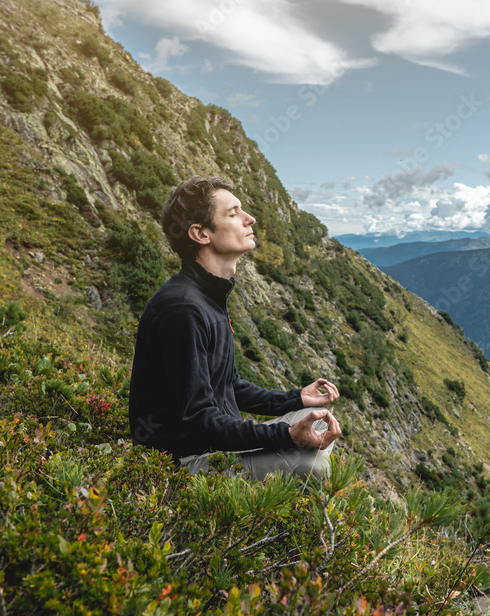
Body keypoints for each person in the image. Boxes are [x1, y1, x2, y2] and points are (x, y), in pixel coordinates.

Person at [128, 175, 342, 480]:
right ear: (200, 233)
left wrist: (297, 399)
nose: (249, 218)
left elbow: (228, 383)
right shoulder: (182, 309)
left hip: (216, 445)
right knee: (312, 467)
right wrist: (286, 436)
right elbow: (199, 418)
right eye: (233, 213)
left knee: (317, 420)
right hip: (186, 462)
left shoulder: (207, 295)